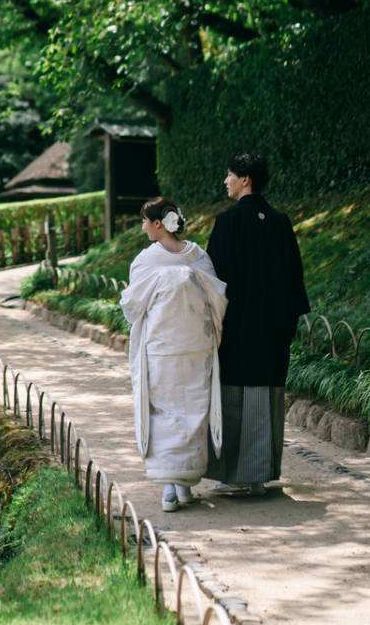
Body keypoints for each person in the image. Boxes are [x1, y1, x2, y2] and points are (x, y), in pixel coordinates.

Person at [205, 151, 310, 495]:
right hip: (273, 330)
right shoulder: (281, 221)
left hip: (235, 326)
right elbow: (294, 278)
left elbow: (213, 281)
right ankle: (259, 476)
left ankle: (234, 474)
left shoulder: (227, 221)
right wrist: (286, 327)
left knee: (234, 397)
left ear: (245, 179)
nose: (226, 180)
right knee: (265, 399)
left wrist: (214, 324)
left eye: (230, 174)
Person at [120, 197, 228, 513]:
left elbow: (132, 306)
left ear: (158, 224)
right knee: (194, 410)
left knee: (164, 414)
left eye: (143, 220)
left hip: (162, 349)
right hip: (196, 347)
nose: (141, 226)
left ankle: (170, 487)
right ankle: (184, 484)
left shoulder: (146, 261)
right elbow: (217, 298)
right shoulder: (198, 256)